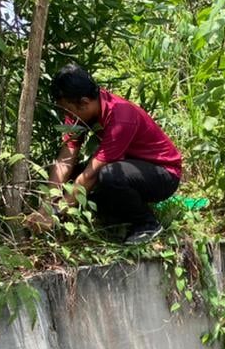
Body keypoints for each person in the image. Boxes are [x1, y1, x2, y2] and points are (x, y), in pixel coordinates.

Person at [27, 64, 182, 244]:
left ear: (84, 102)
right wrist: (46, 204)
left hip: (164, 174)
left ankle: (146, 224)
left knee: (109, 175)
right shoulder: (80, 112)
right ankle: (117, 219)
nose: (65, 115)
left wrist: (55, 213)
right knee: (76, 177)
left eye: (66, 109)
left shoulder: (121, 117)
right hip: (131, 168)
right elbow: (65, 158)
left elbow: (91, 175)